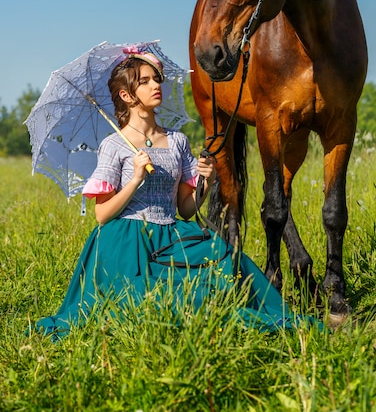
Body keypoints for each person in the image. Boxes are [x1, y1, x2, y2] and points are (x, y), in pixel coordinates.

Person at [32, 51, 303, 339]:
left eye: (156, 79)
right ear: (126, 95)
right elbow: (102, 215)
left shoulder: (177, 141)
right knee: (148, 299)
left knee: (227, 259)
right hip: (125, 240)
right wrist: (135, 179)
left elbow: (186, 210)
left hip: (172, 233)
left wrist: (206, 183)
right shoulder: (113, 145)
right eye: (145, 82)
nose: (155, 85)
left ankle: (276, 317)